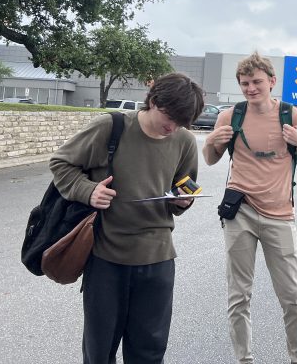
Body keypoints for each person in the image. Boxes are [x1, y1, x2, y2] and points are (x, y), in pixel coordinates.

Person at [49, 73, 205, 364]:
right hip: (106, 257)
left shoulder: (183, 141)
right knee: (100, 350)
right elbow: (61, 163)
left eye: (182, 122)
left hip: (158, 259)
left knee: (149, 350)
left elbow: (183, 186)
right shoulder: (111, 127)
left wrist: (183, 200)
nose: (172, 127)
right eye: (169, 117)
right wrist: (88, 190)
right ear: (154, 100)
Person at [203, 51, 297, 364]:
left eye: (256, 82)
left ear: (272, 81)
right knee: (238, 295)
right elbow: (211, 158)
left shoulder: (291, 115)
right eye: (244, 83)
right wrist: (211, 139)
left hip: (280, 216)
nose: (250, 88)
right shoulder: (230, 116)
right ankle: (244, 359)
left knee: (293, 297)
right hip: (239, 211)